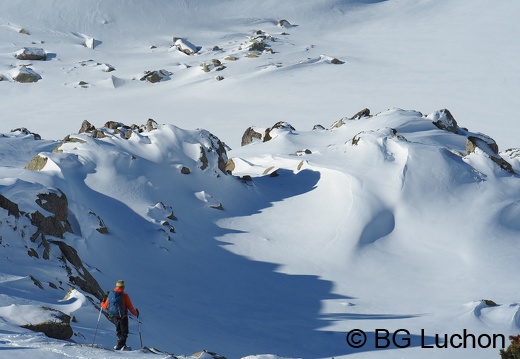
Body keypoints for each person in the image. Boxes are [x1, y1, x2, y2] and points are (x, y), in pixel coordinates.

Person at [101, 280, 139, 350]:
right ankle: (120, 346)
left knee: (119, 331)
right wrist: (136, 313)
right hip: (123, 317)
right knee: (124, 332)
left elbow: (105, 306)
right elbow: (130, 307)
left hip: (114, 317)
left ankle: (121, 345)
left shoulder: (111, 295)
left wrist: (102, 302)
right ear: (123, 286)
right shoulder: (125, 296)